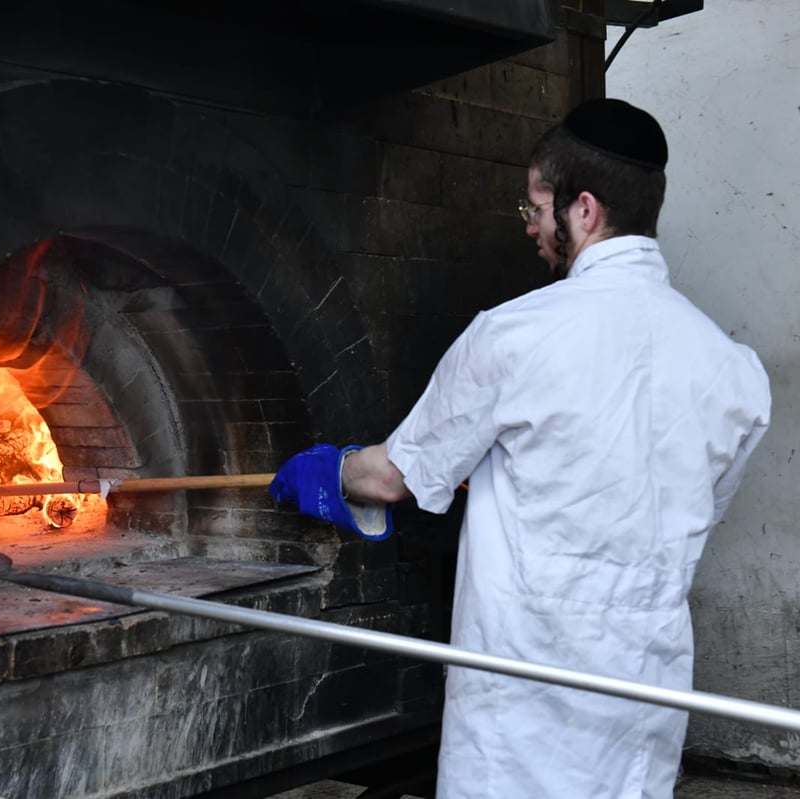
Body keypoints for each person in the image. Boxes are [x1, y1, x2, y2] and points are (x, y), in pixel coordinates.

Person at [270, 98, 771, 799]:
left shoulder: (514, 334)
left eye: (535, 209)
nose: (531, 228)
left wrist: (326, 471)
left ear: (584, 210)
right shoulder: (735, 371)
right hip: (645, 686)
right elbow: (686, 511)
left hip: (527, 694)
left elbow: (393, 477)